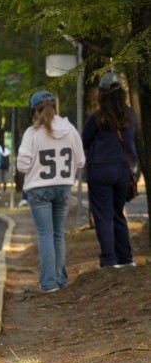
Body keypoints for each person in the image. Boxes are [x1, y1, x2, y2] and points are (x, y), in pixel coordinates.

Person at [17, 91, 85, 292]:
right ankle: (61, 280)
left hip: (39, 188)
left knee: (45, 234)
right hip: (63, 186)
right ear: (54, 108)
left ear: (35, 112)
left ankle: (48, 282)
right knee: (58, 234)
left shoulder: (32, 133)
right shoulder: (70, 129)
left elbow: (22, 165)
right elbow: (81, 161)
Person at [81, 70, 138, 268]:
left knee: (103, 216)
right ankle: (126, 258)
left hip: (100, 170)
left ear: (102, 94)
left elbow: (84, 141)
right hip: (123, 171)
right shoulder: (130, 116)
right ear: (122, 93)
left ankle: (108, 260)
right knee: (118, 213)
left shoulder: (97, 118)